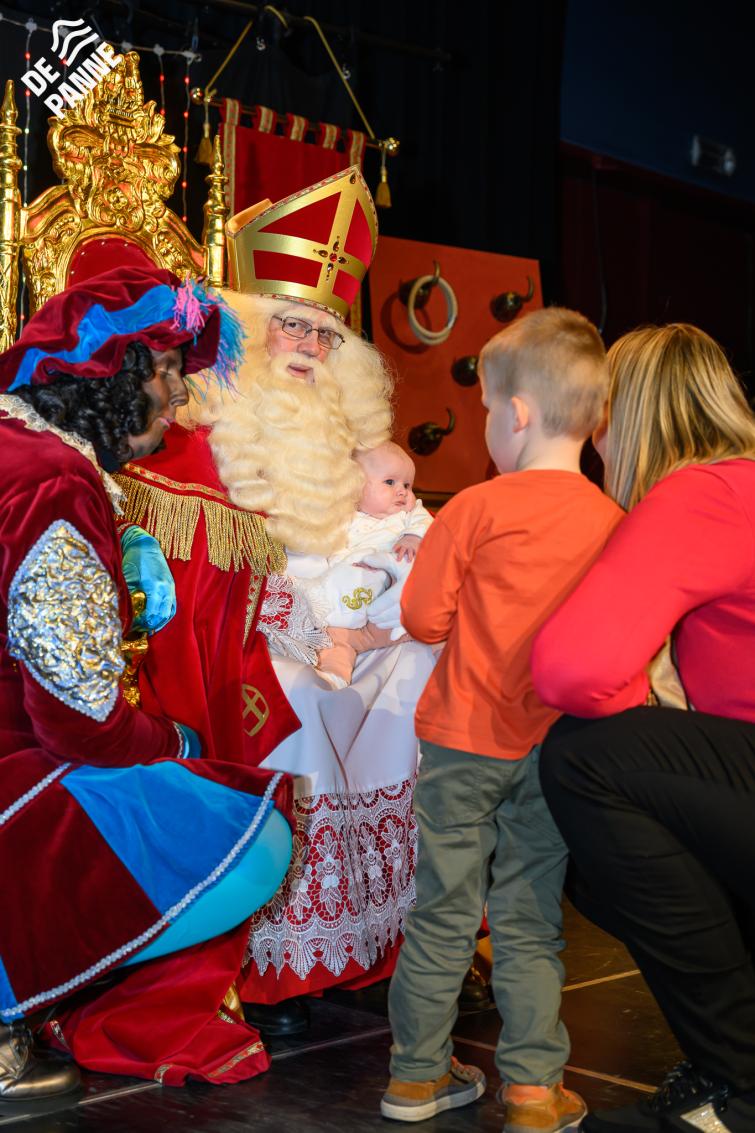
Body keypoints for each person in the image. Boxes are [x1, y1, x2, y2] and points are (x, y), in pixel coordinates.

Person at [115, 168, 437, 1036]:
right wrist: (308, 627)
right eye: (290, 323)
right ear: (248, 328)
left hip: (346, 630)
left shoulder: (346, 439)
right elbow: (186, 591)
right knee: (306, 712)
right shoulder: (194, 442)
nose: (308, 345)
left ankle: (374, 943)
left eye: (325, 333)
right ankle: (273, 967)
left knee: (416, 685)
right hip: (243, 652)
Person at [0, 266, 297, 1102]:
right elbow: (80, 721)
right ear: (109, 372)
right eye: (166, 370)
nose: (180, 397)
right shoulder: (51, 478)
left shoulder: (20, 449)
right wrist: (178, 742)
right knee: (254, 840)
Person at [382, 307, 624, 1132]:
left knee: (442, 911)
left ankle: (414, 1077)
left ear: (515, 413)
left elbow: (422, 619)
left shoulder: (472, 508)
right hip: (554, 747)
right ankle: (531, 1089)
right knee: (528, 919)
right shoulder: (612, 521)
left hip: (460, 743)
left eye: (485, 407)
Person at [531, 323, 755, 1133]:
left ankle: (739, 1081)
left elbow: (571, 670)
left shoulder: (702, 492)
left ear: (616, 417)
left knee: (583, 761)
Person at [287, 441, 433, 688]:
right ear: (355, 486)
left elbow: (428, 525)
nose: (402, 491)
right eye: (390, 482)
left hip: (382, 594)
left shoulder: (408, 515)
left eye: (407, 485)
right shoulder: (343, 516)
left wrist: (412, 537)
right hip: (340, 597)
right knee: (335, 640)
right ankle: (334, 675)